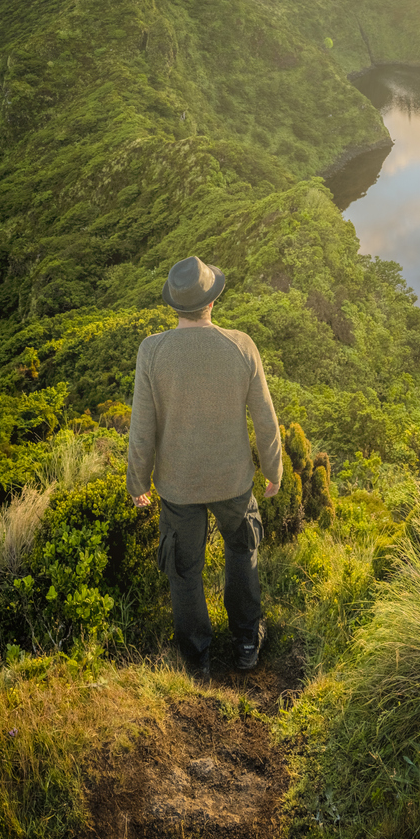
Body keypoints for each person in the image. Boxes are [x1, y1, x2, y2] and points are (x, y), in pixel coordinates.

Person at [126, 255, 282, 678]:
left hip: (178, 486)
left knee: (184, 570)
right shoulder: (241, 345)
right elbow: (265, 418)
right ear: (211, 302)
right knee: (242, 552)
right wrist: (273, 470)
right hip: (233, 480)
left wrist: (137, 480)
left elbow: (142, 428)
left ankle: (198, 662)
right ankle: (247, 642)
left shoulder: (152, 351)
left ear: (175, 306)